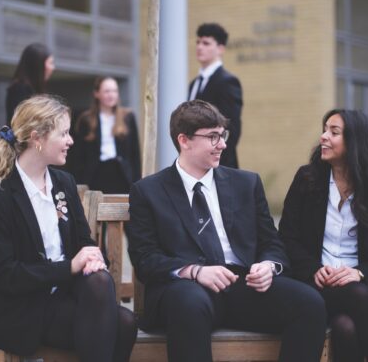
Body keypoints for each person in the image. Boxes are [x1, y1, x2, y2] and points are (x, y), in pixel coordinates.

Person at [126, 100, 327, 362]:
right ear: (184, 140)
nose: (222, 144)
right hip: (185, 288)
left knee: (309, 303)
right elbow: (145, 258)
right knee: (189, 303)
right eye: (212, 137)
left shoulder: (246, 183)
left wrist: (268, 266)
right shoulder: (148, 191)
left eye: (223, 135)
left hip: (242, 285)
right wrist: (196, 272)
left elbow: (272, 241)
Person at [0, 95, 137, 360]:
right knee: (122, 324)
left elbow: (84, 239)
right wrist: (70, 266)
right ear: (37, 139)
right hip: (23, 307)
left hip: (66, 294)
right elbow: (6, 275)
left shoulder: (63, 182)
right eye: (64, 133)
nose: (71, 141)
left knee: (106, 290)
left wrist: (92, 257)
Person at [279, 109, 368, 362]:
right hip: (313, 288)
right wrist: (313, 269)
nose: (323, 137)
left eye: (333, 132)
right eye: (325, 129)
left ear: (356, 142)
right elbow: (286, 237)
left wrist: (358, 272)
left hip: (358, 291)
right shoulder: (307, 180)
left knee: (345, 327)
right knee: (357, 295)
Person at [67, 76, 141, 194]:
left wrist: (137, 182)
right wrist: (77, 182)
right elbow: (77, 155)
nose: (111, 95)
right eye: (107, 91)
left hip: (121, 174)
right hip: (95, 174)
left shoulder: (128, 117)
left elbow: (135, 154)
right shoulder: (85, 119)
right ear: (97, 93)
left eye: (114, 91)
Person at [188, 23, 242, 168]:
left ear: (220, 49)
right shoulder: (194, 84)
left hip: (218, 166)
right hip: (195, 163)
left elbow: (231, 129)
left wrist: (217, 166)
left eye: (206, 43)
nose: (199, 47)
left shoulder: (228, 82)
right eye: (198, 42)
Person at [6, 43, 55, 124]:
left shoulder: (32, 90)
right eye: (50, 63)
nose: (53, 67)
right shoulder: (19, 89)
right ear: (38, 64)